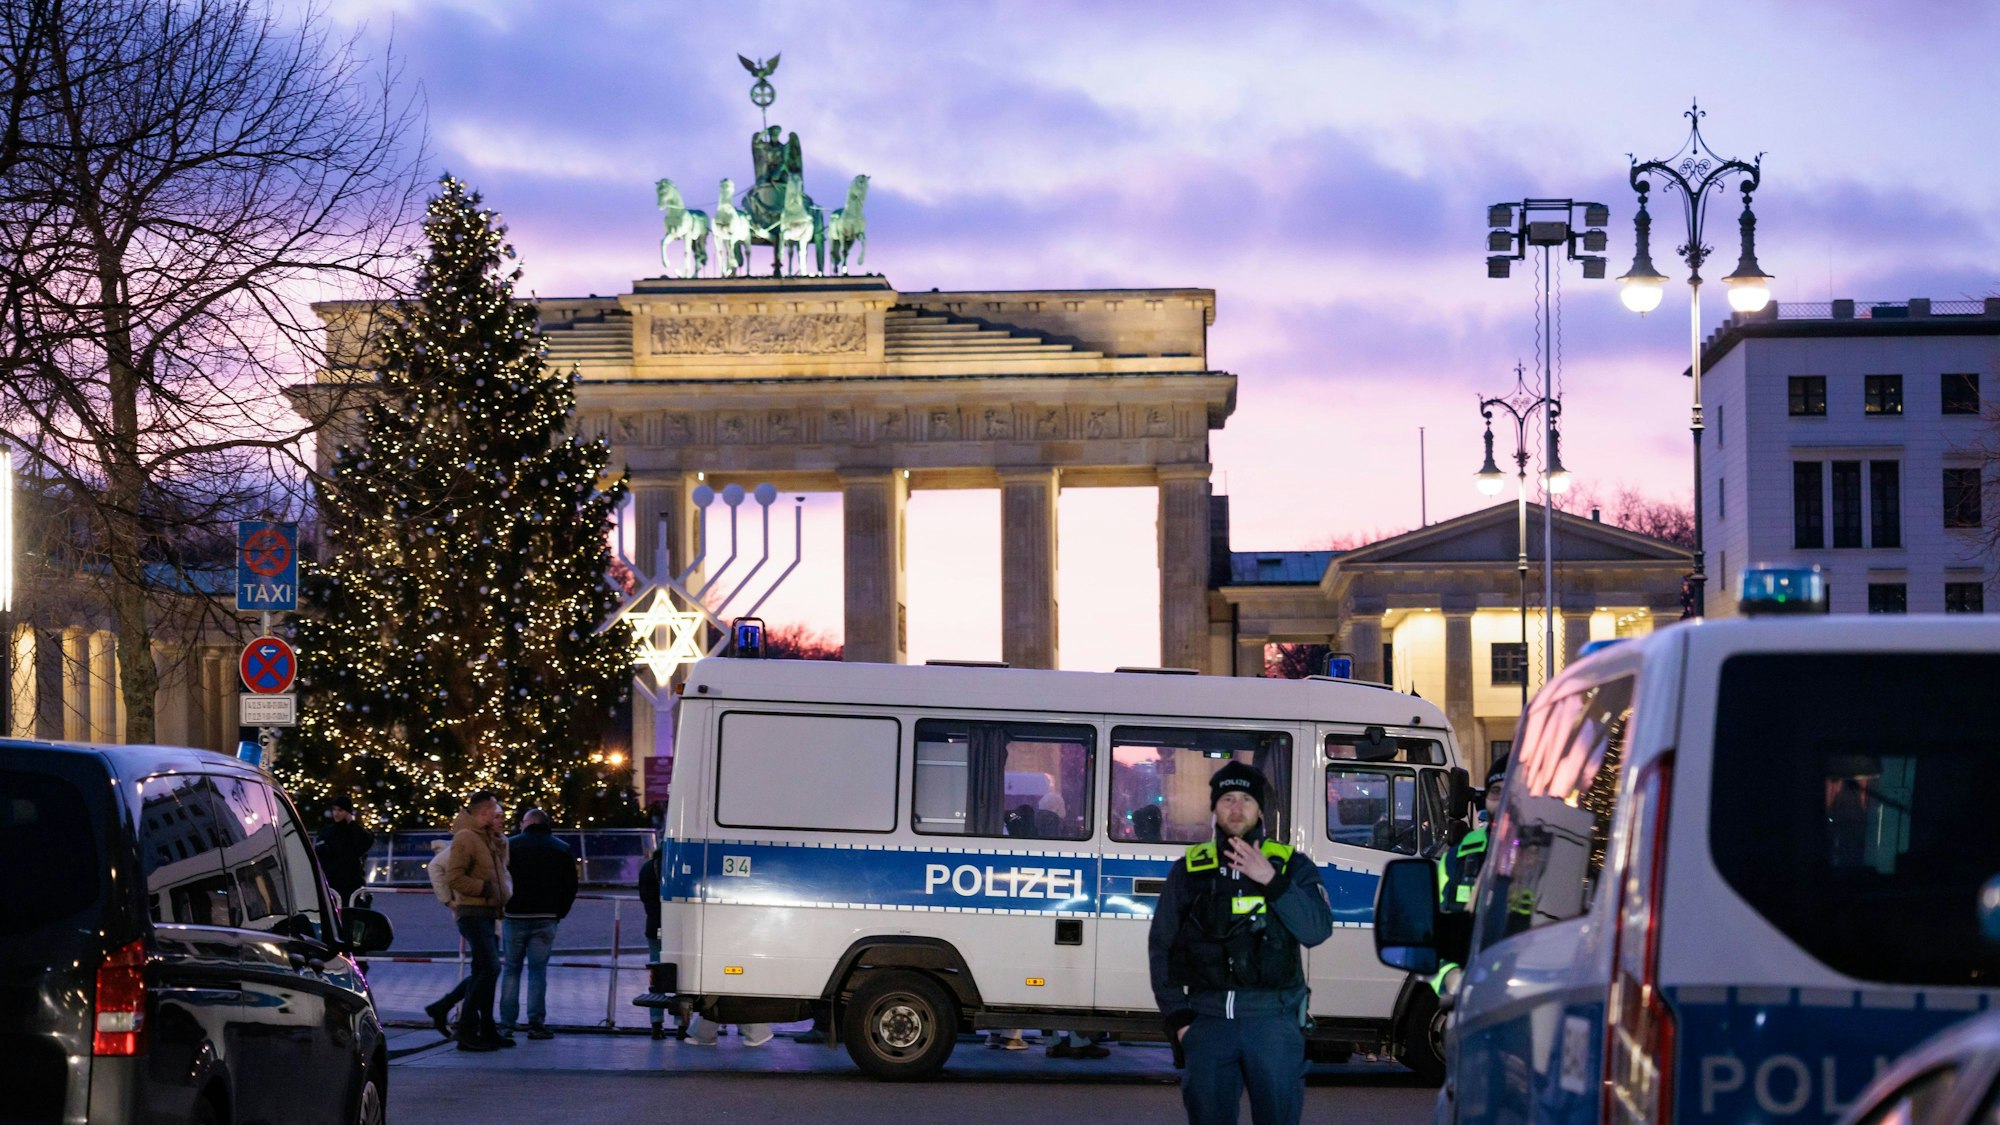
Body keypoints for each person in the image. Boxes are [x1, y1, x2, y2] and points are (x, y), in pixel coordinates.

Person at [1149, 762, 1333, 1125]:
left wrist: (1270, 879)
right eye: (1228, 799)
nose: (1236, 808)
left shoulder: (1290, 865)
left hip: (1273, 1024)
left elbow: (1316, 930)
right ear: (1214, 808)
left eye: (1246, 799)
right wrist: (1180, 1021)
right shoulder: (1190, 870)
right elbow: (1162, 947)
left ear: (1260, 809)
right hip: (1208, 1025)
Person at [497, 808, 577, 1040]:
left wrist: (505, 907)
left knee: (511, 969)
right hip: (546, 918)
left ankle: (506, 1025)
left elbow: (501, 878)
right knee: (538, 971)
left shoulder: (511, 846)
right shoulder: (561, 848)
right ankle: (536, 1023)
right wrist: (558, 913)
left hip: (514, 917)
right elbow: (570, 887)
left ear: (528, 823)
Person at [443, 791, 514, 1051]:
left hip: (488, 913)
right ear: (483, 812)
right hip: (473, 912)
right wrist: (485, 889)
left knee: (485, 970)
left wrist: (500, 841)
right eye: (495, 811)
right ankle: (465, 1029)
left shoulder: (484, 837)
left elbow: (499, 869)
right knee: (490, 969)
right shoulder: (466, 838)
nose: (499, 816)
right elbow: (454, 877)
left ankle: (484, 1028)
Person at [314, 796, 373, 908]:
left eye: (340, 810)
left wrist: (352, 823)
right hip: (332, 882)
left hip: (351, 883)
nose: (336, 813)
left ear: (348, 812)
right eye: (334, 809)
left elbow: (366, 842)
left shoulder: (354, 831)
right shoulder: (327, 831)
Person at [637, 845, 668, 1039]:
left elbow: (643, 897)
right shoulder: (679, 865)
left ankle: (656, 1025)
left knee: (656, 977)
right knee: (680, 978)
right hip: (678, 930)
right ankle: (682, 1025)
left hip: (654, 926)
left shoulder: (647, 868)